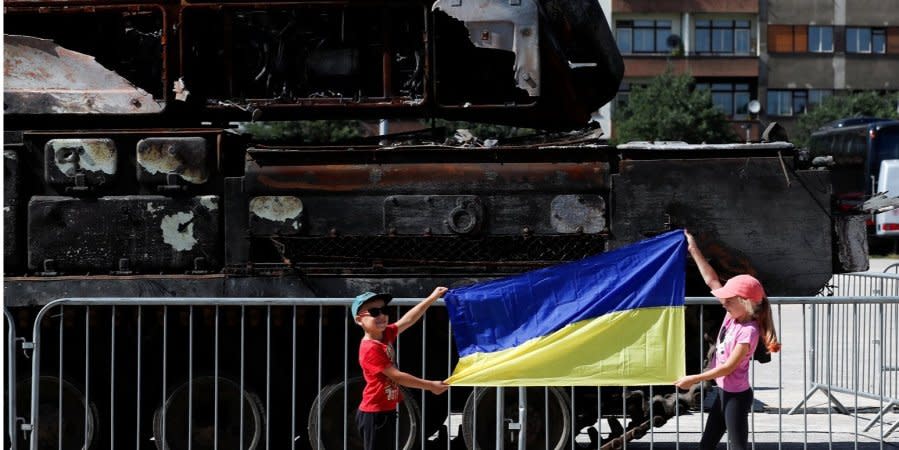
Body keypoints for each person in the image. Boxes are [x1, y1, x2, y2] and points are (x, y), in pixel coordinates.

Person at [675, 230, 781, 450]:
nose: (723, 302)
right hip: (725, 393)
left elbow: (727, 368)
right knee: (707, 444)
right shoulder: (733, 315)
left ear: (745, 302)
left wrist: (694, 378)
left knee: (738, 446)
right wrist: (693, 248)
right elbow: (711, 279)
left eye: (728, 300)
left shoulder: (748, 332)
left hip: (737, 397)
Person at [352, 288, 450, 450]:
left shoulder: (385, 335)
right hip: (374, 414)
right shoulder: (370, 348)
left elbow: (409, 319)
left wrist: (432, 298)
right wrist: (431, 386)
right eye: (374, 312)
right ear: (359, 320)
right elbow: (397, 377)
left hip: (387, 410)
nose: (381, 315)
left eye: (384, 310)